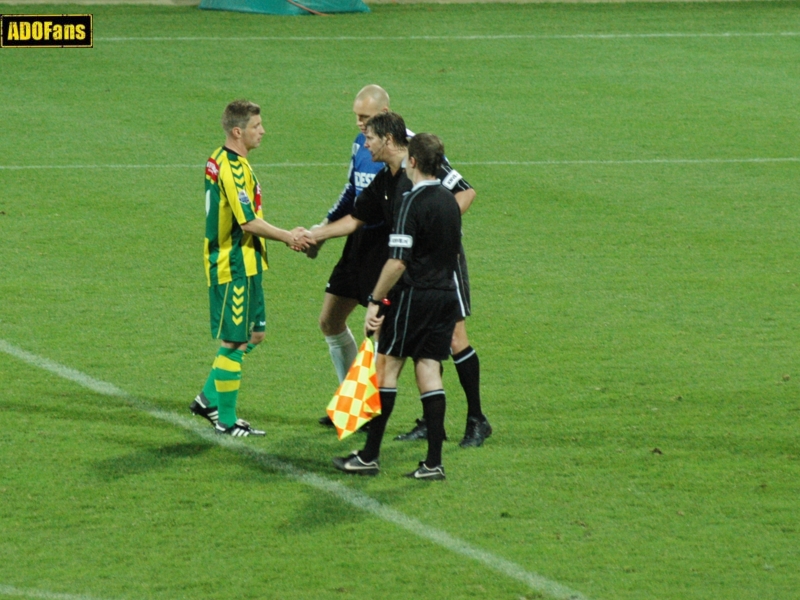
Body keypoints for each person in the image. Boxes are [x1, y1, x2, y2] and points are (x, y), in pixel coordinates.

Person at [310, 88, 491, 448]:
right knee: (420, 346)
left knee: (454, 340)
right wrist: (316, 233)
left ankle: (476, 419)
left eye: (366, 122)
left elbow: (465, 192)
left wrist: (435, 225)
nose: (361, 130)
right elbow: (357, 211)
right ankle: (426, 422)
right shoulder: (379, 164)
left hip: (439, 260)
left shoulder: (417, 153)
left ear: (385, 123)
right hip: (410, 262)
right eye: (358, 120)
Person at [332, 133, 462, 480]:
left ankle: (369, 456)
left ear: (414, 162)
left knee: (386, 369)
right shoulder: (450, 201)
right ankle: (434, 463)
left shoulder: (411, 202)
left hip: (414, 297)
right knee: (429, 369)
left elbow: (398, 262)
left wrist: (376, 300)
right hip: (446, 296)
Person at [189, 99, 308, 436]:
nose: (263, 131)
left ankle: (207, 398)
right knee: (234, 342)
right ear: (238, 131)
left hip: (249, 263)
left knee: (255, 334)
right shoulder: (234, 168)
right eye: (257, 126)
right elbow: (248, 222)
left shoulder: (220, 157)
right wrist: (289, 236)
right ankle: (225, 421)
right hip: (233, 265)